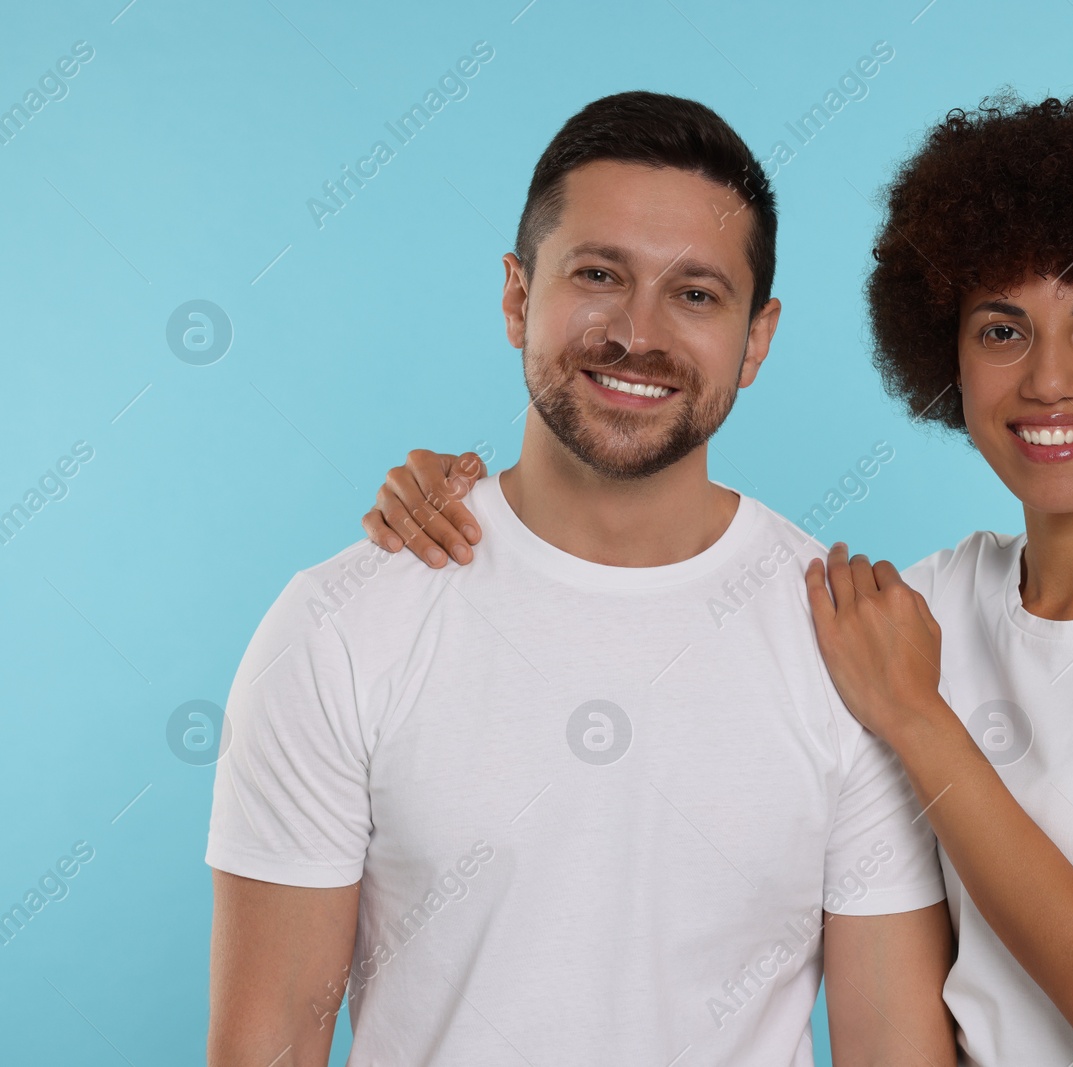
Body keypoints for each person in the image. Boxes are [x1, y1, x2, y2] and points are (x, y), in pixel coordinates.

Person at [364, 88, 1073, 1065]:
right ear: (949, 356)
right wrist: (467, 498)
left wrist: (916, 714)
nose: (1047, 379)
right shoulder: (921, 603)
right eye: (1002, 330)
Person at [207, 91, 956, 1067]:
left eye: (695, 293)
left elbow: (891, 1048)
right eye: (600, 274)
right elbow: (270, 1043)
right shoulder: (340, 627)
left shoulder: (852, 645)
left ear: (756, 338)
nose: (637, 333)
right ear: (519, 297)